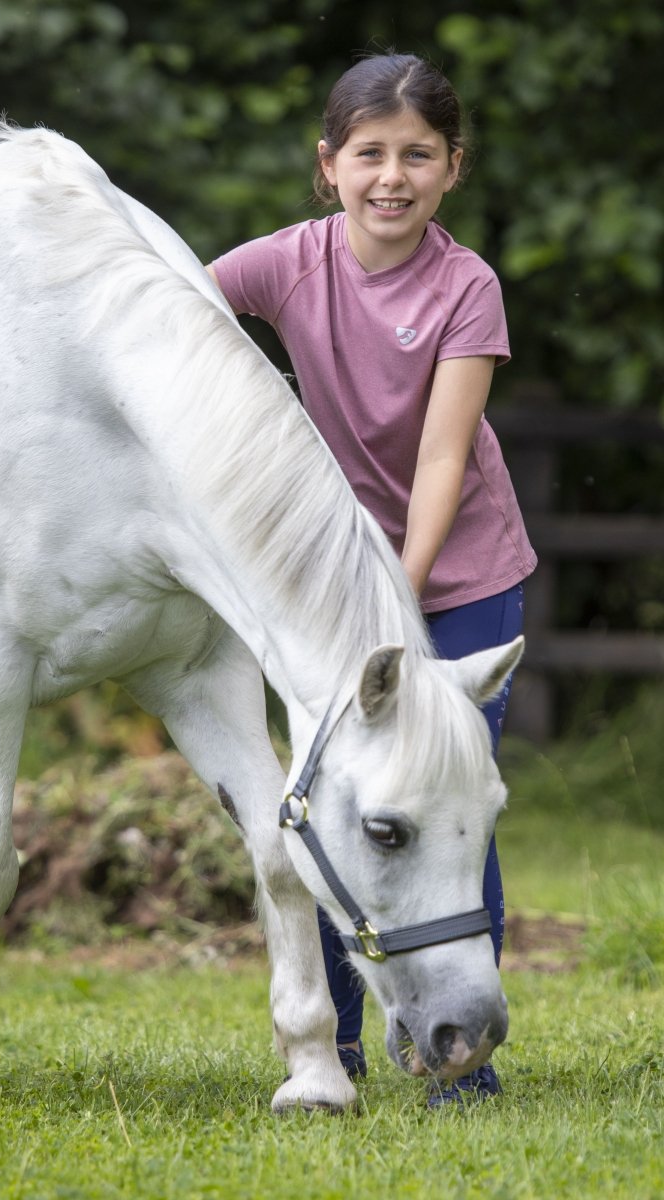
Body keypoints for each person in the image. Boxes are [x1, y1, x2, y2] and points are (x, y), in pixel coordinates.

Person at [206, 51, 536, 1107]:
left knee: (441, 810)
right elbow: (173, 331)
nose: (390, 176)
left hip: (456, 577)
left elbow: (442, 458)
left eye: (417, 156)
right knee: (338, 806)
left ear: (451, 168)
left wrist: (393, 592)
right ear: (329, 165)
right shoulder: (283, 265)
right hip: (326, 591)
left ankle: (460, 1062)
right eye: (369, 154)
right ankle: (334, 1049)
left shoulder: (464, 285)